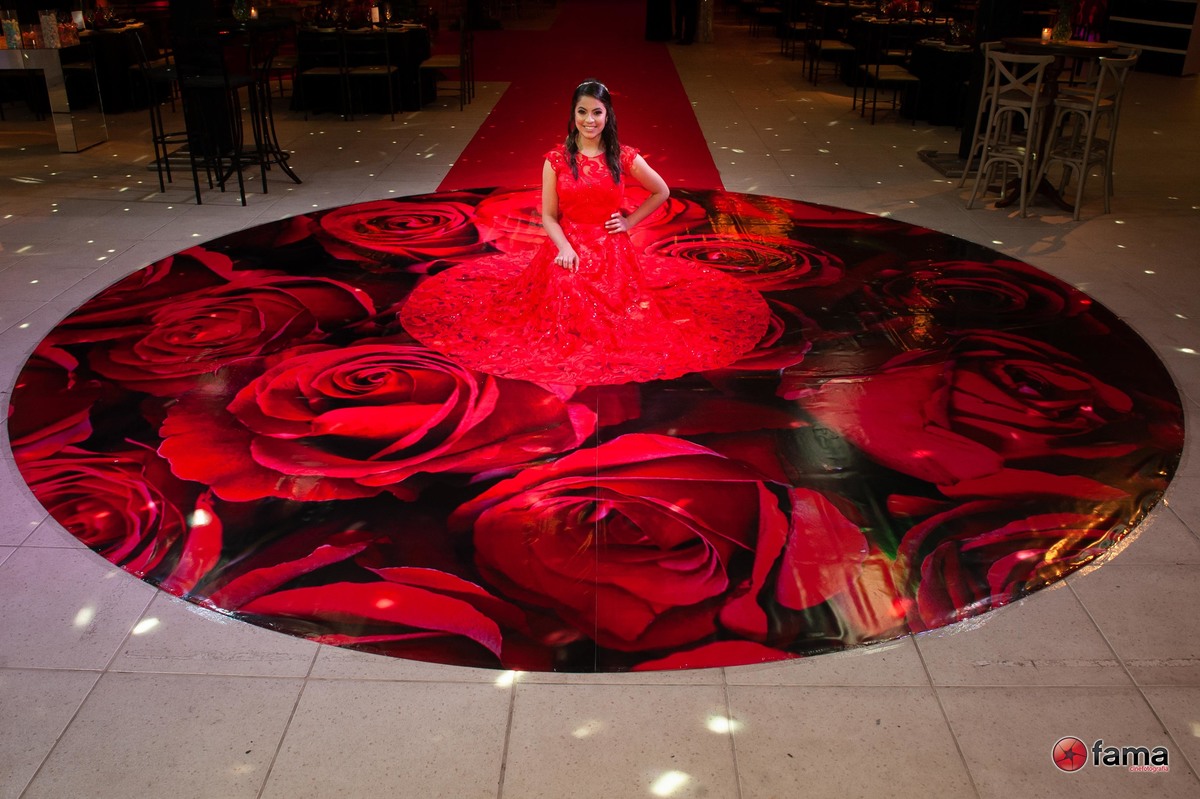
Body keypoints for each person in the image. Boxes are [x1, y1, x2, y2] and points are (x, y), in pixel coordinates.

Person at [401, 79, 769, 385]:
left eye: (596, 112)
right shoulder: (556, 159)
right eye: (582, 111)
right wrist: (564, 247)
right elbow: (548, 216)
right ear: (572, 114)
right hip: (568, 246)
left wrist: (629, 222)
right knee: (563, 301)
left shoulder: (623, 156)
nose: (589, 120)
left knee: (622, 322)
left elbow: (662, 191)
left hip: (611, 251)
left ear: (608, 115)